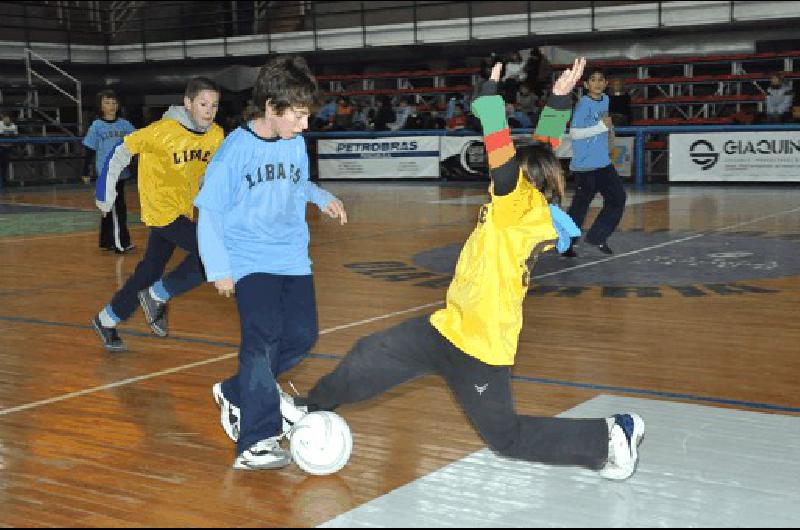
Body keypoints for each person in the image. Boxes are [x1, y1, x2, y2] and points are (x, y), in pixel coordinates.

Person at [271, 59, 647, 480]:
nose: (496, 174)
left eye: (507, 170)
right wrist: (560, 98)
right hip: (449, 326)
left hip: (480, 348)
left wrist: (488, 96)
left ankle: (611, 436)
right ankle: (311, 406)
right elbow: (542, 146)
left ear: (521, 178)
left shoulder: (515, 205)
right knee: (370, 353)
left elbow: (502, 148)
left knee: (506, 437)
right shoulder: (528, 197)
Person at [200, 55, 348, 470]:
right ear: (271, 107)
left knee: (302, 335)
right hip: (249, 259)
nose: (304, 126)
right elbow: (209, 211)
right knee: (261, 342)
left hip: (292, 256)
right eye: (298, 116)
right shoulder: (235, 151)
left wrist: (323, 198)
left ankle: (236, 391)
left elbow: (298, 182)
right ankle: (256, 440)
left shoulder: (293, 142)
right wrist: (219, 269)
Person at [90, 77, 225, 352]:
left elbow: (209, 175)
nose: (209, 110)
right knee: (213, 252)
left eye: (214, 105)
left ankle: (107, 319)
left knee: (149, 271)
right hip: (160, 210)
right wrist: (105, 193)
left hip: (183, 210)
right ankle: (158, 295)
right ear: (188, 103)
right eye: (203, 104)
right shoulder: (160, 131)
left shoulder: (216, 135)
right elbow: (120, 151)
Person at [563, 67, 627, 256]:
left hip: (603, 163)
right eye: (593, 80)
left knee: (618, 198)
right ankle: (567, 243)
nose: (597, 83)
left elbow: (605, 126)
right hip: (584, 166)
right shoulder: (583, 104)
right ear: (586, 84)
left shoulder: (606, 100)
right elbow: (574, 133)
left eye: (601, 80)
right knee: (580, 206)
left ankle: (597, 237)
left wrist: (609, 135)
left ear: (606, 84)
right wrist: (600, 127)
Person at [82, 89, 137, 253]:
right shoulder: (97, 126)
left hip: (122, 172)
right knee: (117, 208)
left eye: (114, 103)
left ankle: (106, 241)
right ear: (100, 106)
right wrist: (86, 171)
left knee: (110, 207)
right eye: (107, 102)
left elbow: (137, 142)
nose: (111, 106)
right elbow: (89, 150)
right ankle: (122, 243)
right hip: (106, 174)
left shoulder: (125, 125)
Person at [0, 114, 18, 187]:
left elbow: (15, 135)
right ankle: (2, 179)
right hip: (1, 147)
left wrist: (9, 133)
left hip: (7, 148)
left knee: (4, 165)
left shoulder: (12, 126)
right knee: (2, 164)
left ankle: (3, 179)